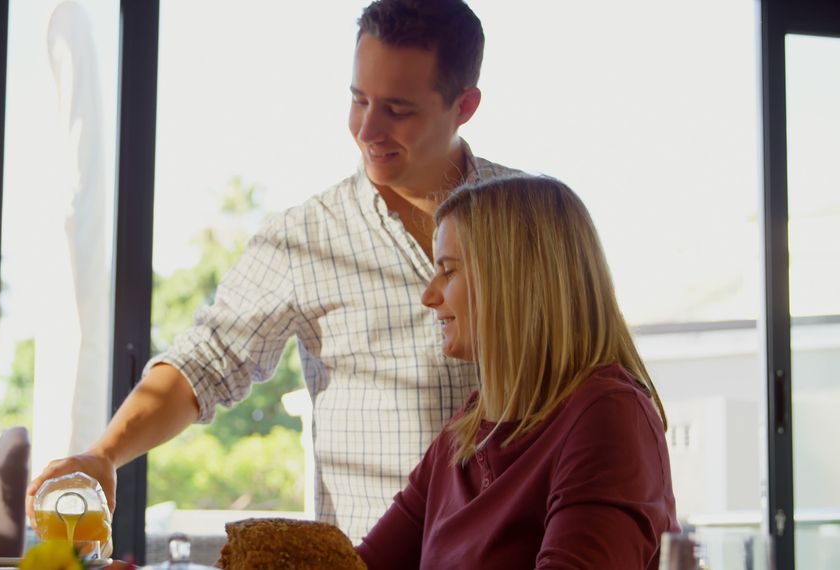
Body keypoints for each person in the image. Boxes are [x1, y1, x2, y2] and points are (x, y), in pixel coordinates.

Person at [29, 0, 518, 540]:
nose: (367, 129)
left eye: (398, 110)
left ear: (464, 105)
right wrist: (103, 455)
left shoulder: (533, 222)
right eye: (358, 99)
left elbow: (596, 369)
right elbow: (206, 362)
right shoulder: (305, 238)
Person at [356, 175, 679, 568]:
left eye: (449, 271)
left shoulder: (608, 414)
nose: (429, 295)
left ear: (514, 279)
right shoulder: (462, 436)